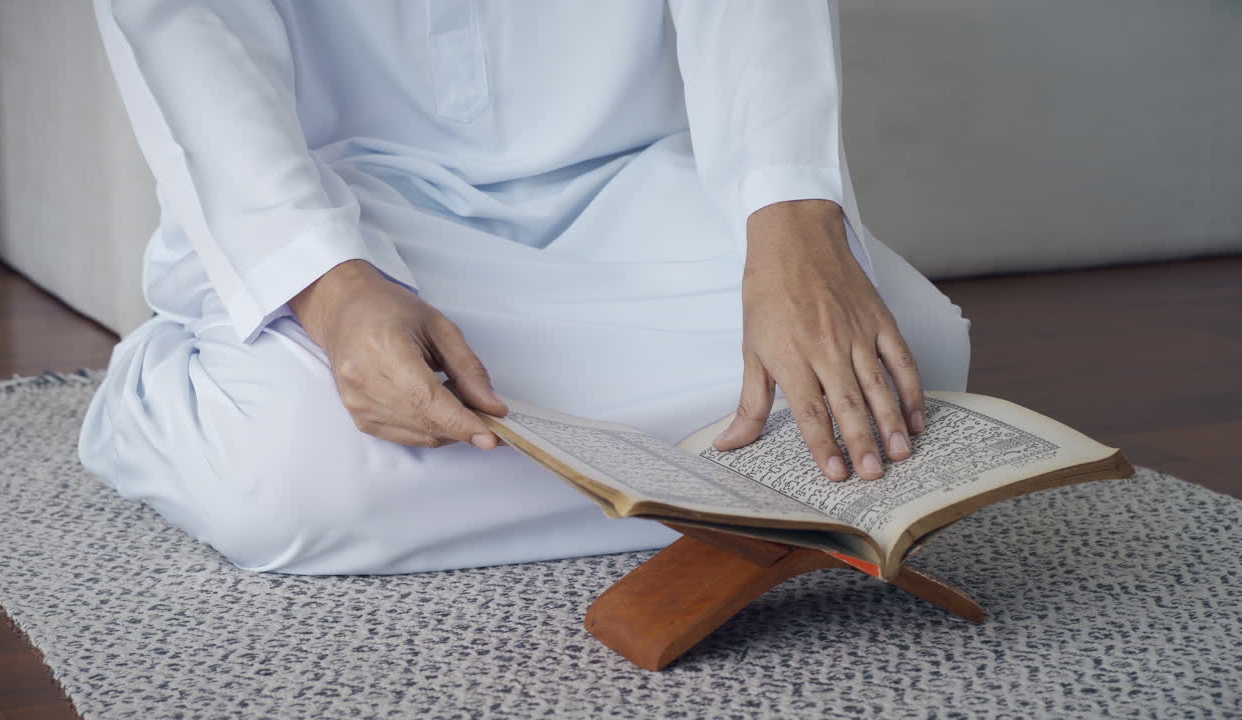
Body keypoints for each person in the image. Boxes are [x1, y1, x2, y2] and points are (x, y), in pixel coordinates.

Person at [80, 0, 971, 575]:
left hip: (630, 181)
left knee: (915, 357)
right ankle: (173, 396)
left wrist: (794, 223)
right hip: (349, 218)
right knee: (287, 475)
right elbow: (188, 33)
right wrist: (332, 287)